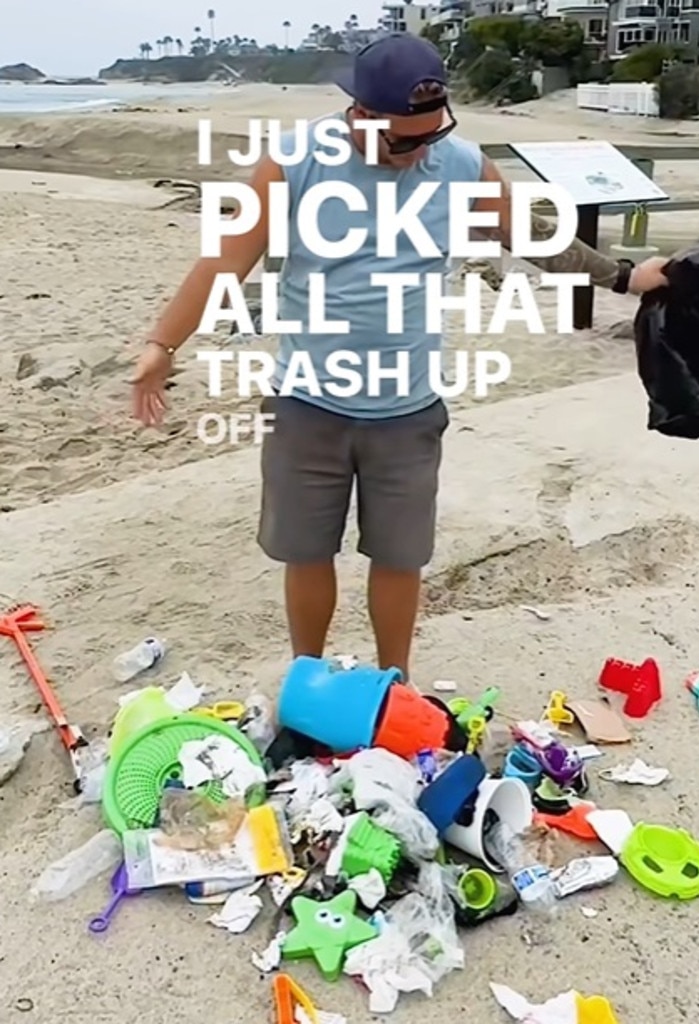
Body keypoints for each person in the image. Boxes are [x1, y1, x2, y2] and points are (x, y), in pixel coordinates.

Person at [132, 33, 668, 681]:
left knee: (400, 557)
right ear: (360, 115)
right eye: (404, 141)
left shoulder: (462, 165)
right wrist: (162, 345)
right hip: (306, 404)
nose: (419, 155)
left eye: (431, 137)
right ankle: (309, 680)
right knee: (306, 552)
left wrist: (626, 279)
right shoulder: (294, 162)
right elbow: (225, 260)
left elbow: (535, 236)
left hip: (408, 410)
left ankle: (395, 684)